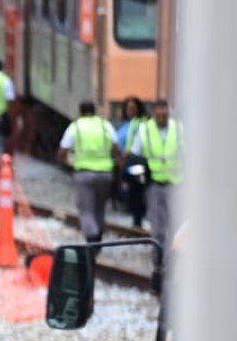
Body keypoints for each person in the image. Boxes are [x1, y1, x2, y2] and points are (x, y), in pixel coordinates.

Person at [128, 98, 183, 271]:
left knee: (175, 223)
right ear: (154, 114)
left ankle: (172, 259)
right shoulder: (145, 130)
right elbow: (135, 155)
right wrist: (140, 178)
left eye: (165, 115)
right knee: (158, 225)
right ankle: (159, 258)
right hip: (154, 184)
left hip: (175, 183)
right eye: (159, 115)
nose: (162, 118)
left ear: (169, 113)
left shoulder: (179, 129)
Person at [57, 100, 122, 245]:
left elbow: (63, 151)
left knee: (86, 210)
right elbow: (117, 148)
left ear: (80, 112)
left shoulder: (76, 126)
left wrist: (64, 162)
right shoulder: (105, 125)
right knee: (99, 208)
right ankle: (98, 239)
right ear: (95, 112)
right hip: (105, 175)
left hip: (84, 174)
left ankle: (92, 242)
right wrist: (120, 169)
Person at [114, 95, 149, 225]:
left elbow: (133, 146)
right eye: (128, 108)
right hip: (128, 163)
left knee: (137, 191)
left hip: (137, 162)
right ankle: (136, 219)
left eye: (133, 108)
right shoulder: (129, 124)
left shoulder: (140, 124)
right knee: (134, 191)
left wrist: (125, 156)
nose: (130, 111)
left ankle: (138, 219)